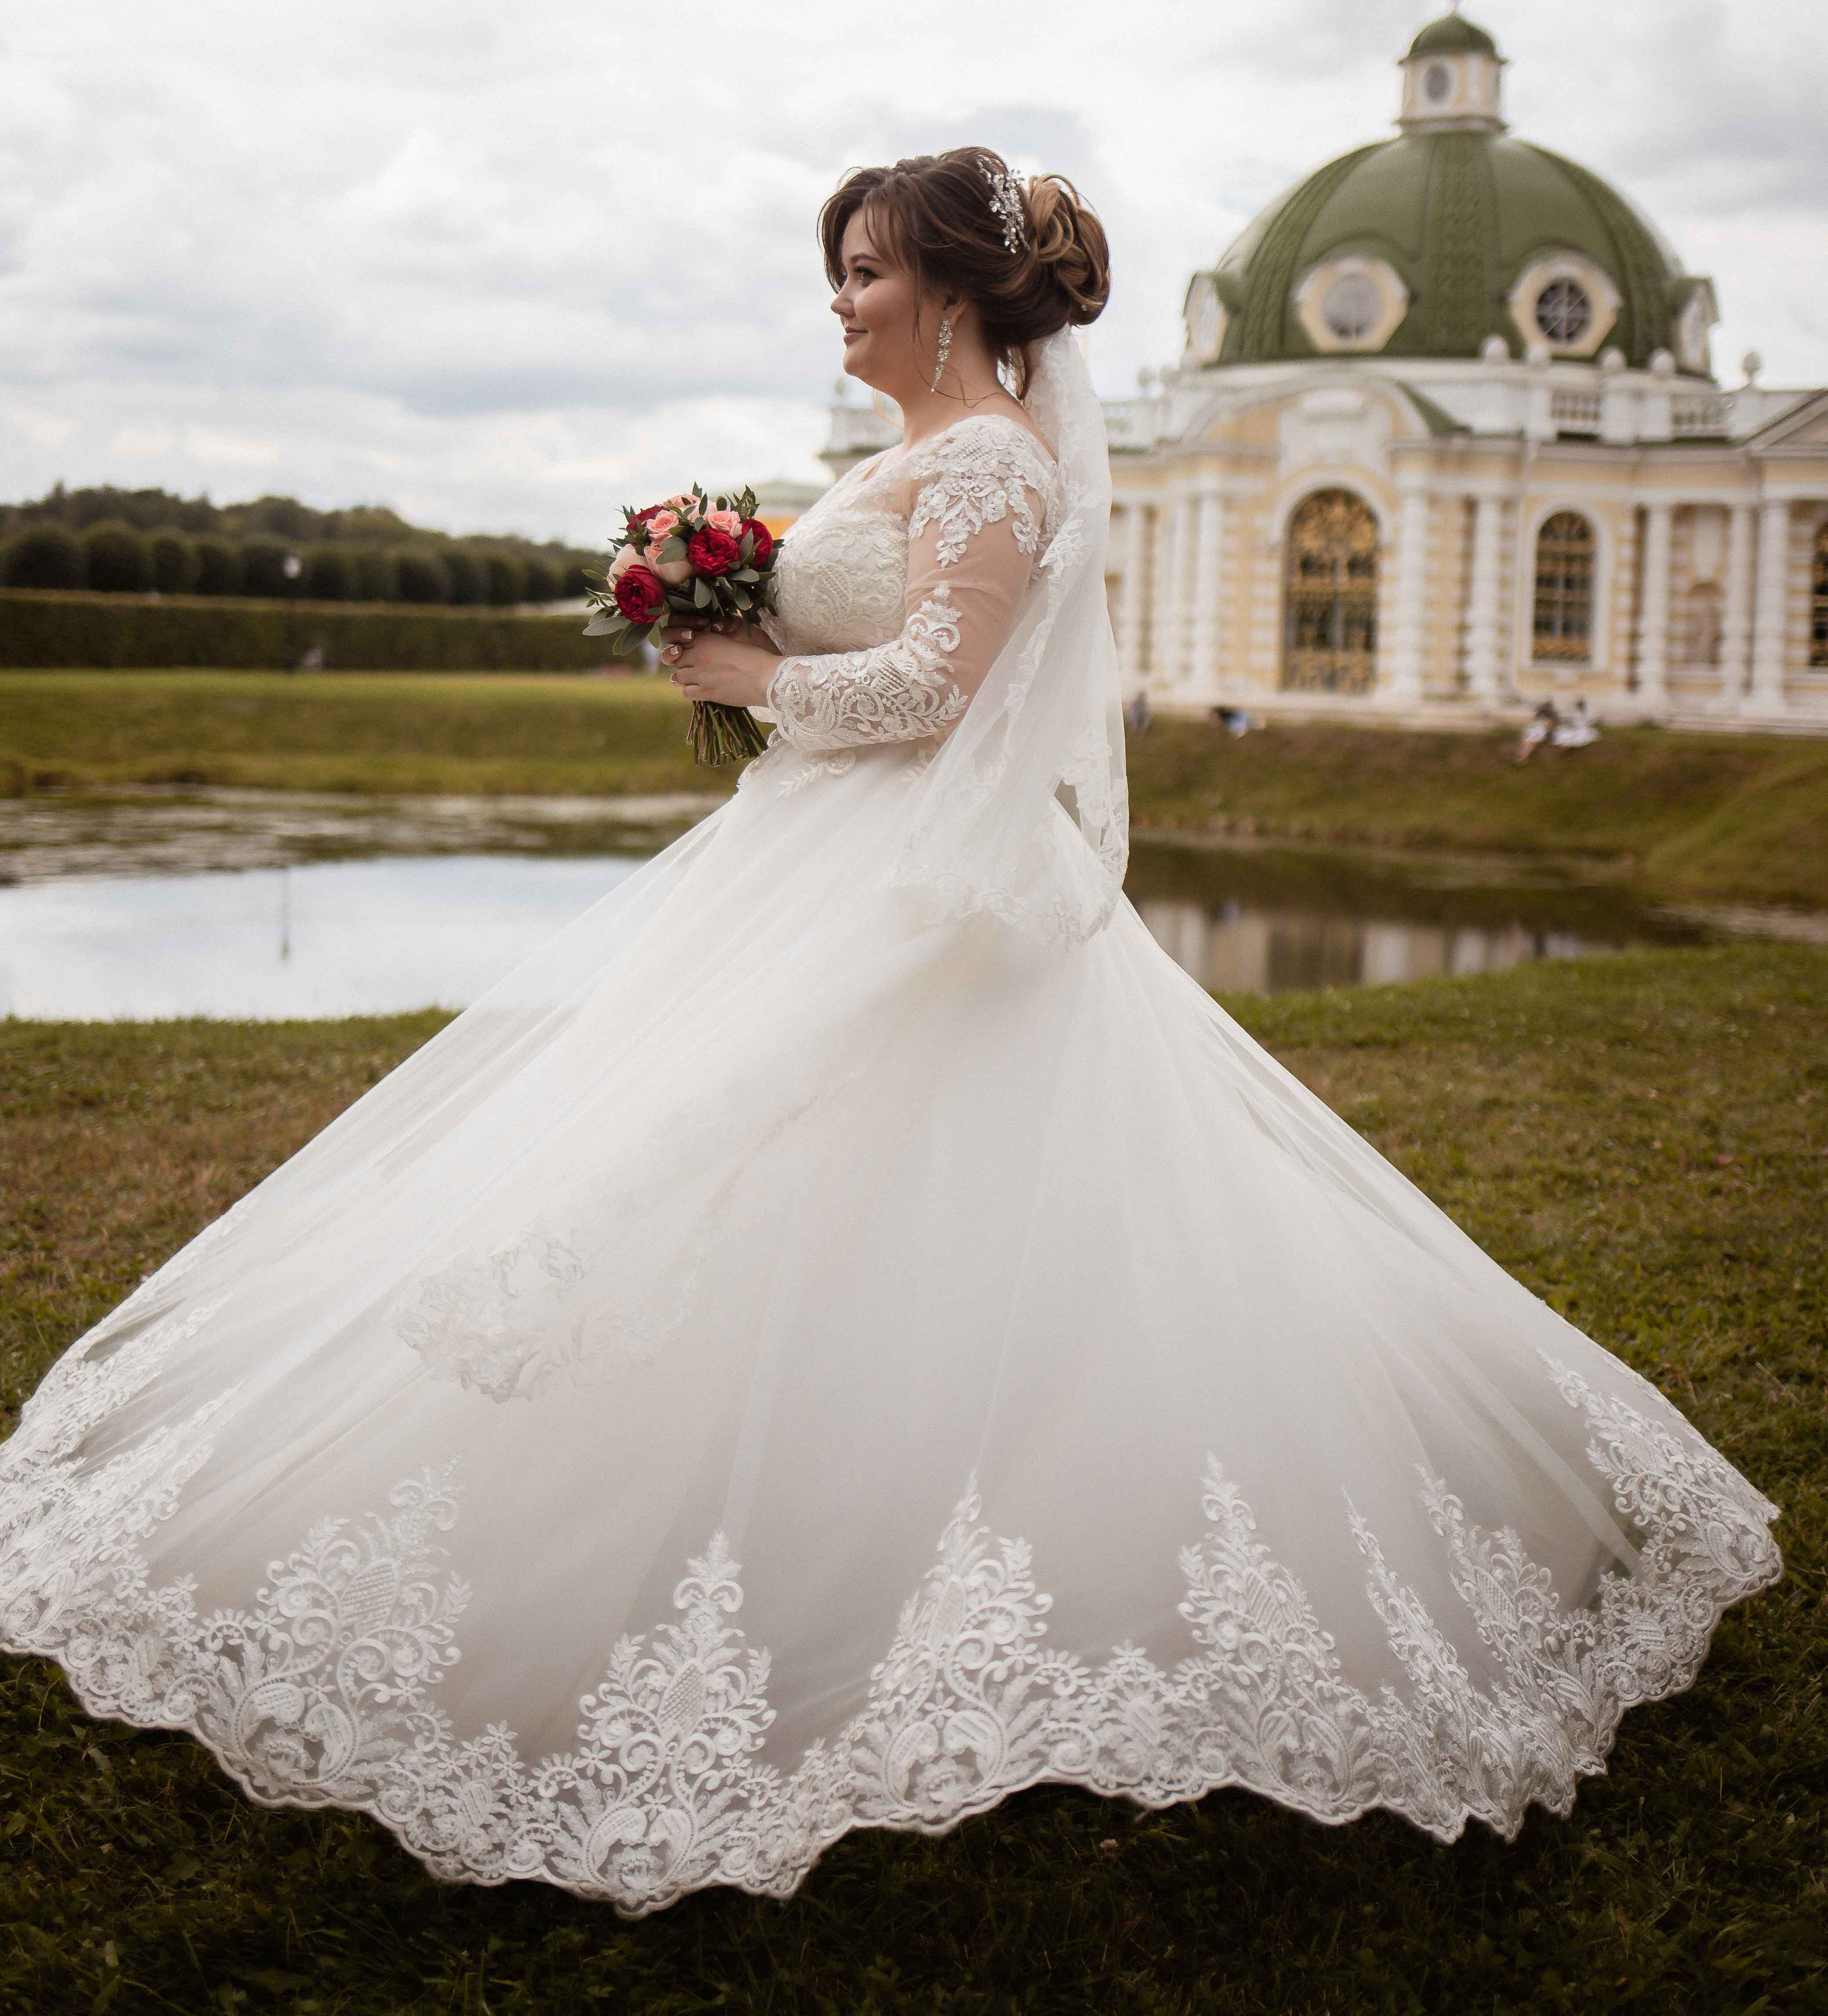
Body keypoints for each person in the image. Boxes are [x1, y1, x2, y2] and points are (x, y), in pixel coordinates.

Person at [0, 149, 1780, 1917]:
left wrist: (750, 673)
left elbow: (940, 683)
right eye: (836, 267)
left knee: (853, 1205)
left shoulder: (997, 462)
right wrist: (713, 599)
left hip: (905, 893)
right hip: (808, 863)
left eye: (863, 269)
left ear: (952, 291)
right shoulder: (910, 454)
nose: (839, 298)